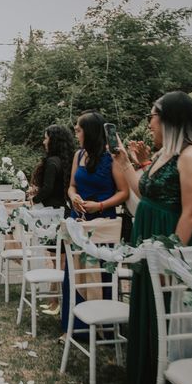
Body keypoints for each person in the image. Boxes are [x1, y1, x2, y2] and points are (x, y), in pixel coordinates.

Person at [112, 91, 192, 384]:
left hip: (168, 243)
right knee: (144, 311)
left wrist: (172, 259)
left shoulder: (191, 156)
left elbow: (190, 212)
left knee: (162, 318)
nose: (149, 123)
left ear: (168, 120)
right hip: (147, 240)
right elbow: (143, 190)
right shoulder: (163, 153)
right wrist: (125, 162)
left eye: (152, 116)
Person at [63, 111, 129, 332]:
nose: (76, 134)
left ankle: (104, 325)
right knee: (76, 272)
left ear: (89, 132)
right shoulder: (78, 155)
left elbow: (124, 192)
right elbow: (72, 185)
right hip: (79, 221)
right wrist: (74, 197)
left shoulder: (112, 158)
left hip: (102, 224)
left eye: (79, 130)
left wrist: (100, 206)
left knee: (101, 273)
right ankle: (77, 326)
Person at [28, 124, 75, 313]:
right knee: (59, 259)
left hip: (53, 216)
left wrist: (34, 198)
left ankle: (58, 302)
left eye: (46, 137)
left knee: (59, 260)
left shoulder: (51, 162)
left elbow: (47, 189)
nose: (44, 141)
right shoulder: (67, 160)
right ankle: (55, 299)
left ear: (53, 140)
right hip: (64, 212)